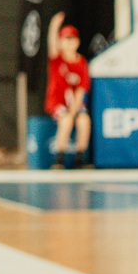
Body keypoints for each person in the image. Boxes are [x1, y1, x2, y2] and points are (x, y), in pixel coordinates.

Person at [46, 12, 90, 167]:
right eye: (66, 40)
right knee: (66, 120)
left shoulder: (81, 62)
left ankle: (80, 158)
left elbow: (81, 89)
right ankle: (59, 158)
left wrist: (74, 109)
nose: (70, 43)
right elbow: (52, 45)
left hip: (74, 104)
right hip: (57, 103)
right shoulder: (57, 59)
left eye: (73, 39)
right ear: (61, 42)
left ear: (78, 42)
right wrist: (54, 26)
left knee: (84, 120)